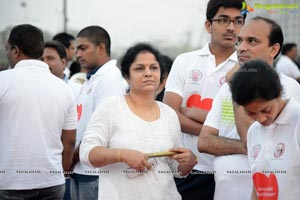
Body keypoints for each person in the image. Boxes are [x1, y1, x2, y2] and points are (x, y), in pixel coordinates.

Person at [198, 16, 300, 200]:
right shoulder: (226, 88)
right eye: (239, 41)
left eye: (252, 41)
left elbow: (253, 141)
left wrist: (246, 145)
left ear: (274, 49)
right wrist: (245, 147)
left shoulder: (287, 88)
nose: (242, 48)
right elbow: (204, 142)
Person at [80, 43, 197, 200]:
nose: (148, 73)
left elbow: (176, 170)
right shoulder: (110, 107)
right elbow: (87, 154)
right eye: (139, 68)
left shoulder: (169, 114)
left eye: (154, 68)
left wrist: (187, 162)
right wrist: (122, 155)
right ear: (126, 76)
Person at [163, 0, 246, 199]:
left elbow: (243, 122)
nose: (231, 27)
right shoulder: (185, 61)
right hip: (188, 167)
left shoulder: (247, 68)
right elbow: (170, 114)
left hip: (232, 169)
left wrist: (192, 112)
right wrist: (211, 136)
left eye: (238, 21)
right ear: (208, 25)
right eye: (223, 20)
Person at [0, 24, 77, 199]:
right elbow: (70, 141)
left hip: (9, 183)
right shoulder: (64, 89)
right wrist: (61, 175)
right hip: (52, 183)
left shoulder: (2, 81)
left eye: (7, 49)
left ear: (15, 50)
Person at [71, 25, 127, 200]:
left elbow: (101, 129)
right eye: (76, 49)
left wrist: (70, 159)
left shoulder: (110, 80)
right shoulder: (93, 78)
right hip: (81, 168)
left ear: (101, 48)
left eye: (83, 48)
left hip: (95, 172)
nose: (77, 54)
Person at [229, 59, 300, 200]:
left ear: (279, 93)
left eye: (266, 109)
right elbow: (258, 188)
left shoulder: (297, 122)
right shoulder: (253, 132)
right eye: (251, 113)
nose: (261, 119)